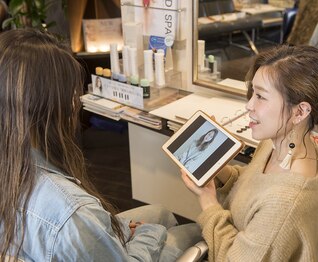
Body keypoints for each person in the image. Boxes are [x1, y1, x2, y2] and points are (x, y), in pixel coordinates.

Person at [0, 28, 202, 261]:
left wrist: (114, 230)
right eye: (73, 95)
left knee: (163, 213)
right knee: (195, 231)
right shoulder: (72, 213)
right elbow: (79, 223)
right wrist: (149, 233)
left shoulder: (13, 165)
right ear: (54, 108)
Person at [181, 45, 318, 261]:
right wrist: (221, 172)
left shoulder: (286, 202)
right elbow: (252, 189)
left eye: (261, 97)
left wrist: (208, 201)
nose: (249, 105)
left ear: (300, 111)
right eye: (252, 93)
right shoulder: (281, 142)